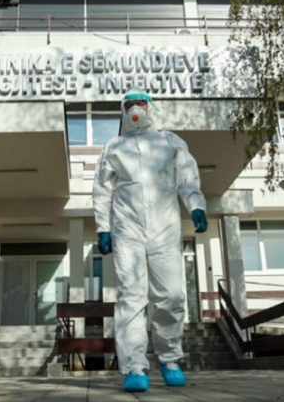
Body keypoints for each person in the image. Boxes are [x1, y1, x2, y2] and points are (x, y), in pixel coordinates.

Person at [92, 91, 208, 392]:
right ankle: (134, 367)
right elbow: (102, 189)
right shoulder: (114, 146)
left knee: (171, 294)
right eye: (129, 104)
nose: (135, 109)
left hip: (164, 227)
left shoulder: (170, 142)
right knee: (131, 296)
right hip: (127, 228)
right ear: (123, 111)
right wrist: (103, 227)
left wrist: (196, 206)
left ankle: (170, 360)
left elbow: (187, 177)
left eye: (140, 103)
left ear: (151, 107)